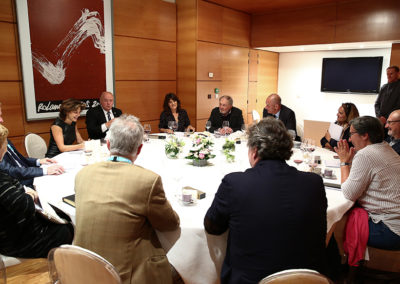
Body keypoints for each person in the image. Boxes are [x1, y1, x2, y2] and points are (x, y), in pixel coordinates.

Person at [204, 117, 327, 284]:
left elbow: (213, 227)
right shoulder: (314, 183)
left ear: (254, 151)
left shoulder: (235, 183)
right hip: (308, 279)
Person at [74, 114, 180, 284]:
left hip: (81, 270)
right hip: (124, 274)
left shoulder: (82, 175)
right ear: (139, 149)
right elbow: (170, 224)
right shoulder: (147, 181)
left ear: (108, 144)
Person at [0, 124, 73, 258]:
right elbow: (23, 205)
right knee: (66, 230)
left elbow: (18, 165)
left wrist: (23, 190)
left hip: (14, 226)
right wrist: (28, 194)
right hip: (14, 240)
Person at [335, 116, 400, 250]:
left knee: (335, 224)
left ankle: (341, 267)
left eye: (352, 134)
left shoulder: (366, 154)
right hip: (395, 221)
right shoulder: (386, 147)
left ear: (365, 135)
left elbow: (348, 193)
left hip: (390, 229)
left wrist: (344, 162)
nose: (349, 139)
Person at [0, 102, 64, 187]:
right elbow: (11, 171)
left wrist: (38, 161)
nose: (2, 120)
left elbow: (19, 159)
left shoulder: (3, 135)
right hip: (21, 184)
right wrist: (44, 171)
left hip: (27, 175)